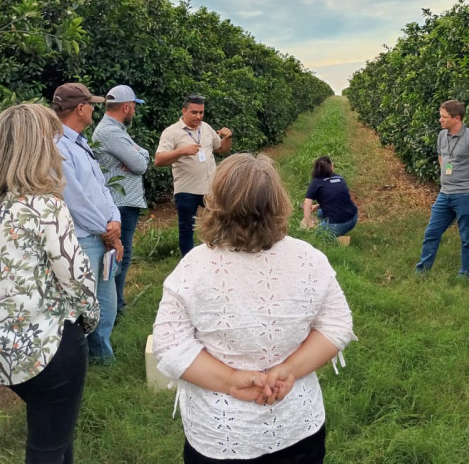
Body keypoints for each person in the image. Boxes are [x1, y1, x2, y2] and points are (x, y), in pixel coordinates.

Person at [152, 153, 356, 463]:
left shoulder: (193, 267)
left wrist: (230, 380)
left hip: (219, 434)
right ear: (278, 203)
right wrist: (288, 370)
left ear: (215, 202)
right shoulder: (309, 259)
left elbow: (169, 346)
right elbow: (336, 325)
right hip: (297, 426)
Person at [0, 103, 100, 464]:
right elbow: (77, 278)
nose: (57, 151)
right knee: (47, 447)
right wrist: (89, 320)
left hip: (0, 349)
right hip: (49, 346)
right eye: (51, 141)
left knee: (55, 436)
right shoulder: (45, 207)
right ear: (38, 149)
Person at [53, 83, 123, 364]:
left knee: (106, 303)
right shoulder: (58, 147)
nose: (94, 109)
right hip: (85, 238)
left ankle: (102, 355)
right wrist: (108, 232)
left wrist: (115, 218)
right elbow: (75, 200)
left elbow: (101, 187)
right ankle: (91, 361)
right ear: (80, 108)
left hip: (100, 235)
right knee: (85, 304)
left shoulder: (79, 143)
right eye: (92, 105)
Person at [415, 99, 469, 277]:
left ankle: (466, 274)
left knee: (466, 236)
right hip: (445, 192)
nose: (440, 120)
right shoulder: (442, 135)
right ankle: (422, 270)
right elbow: (442, 157)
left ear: (457, 118)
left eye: (444, 117)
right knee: (431, 232)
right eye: (440, 116)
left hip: (466, 194)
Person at [93, 85, 149, 316]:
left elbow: (141, 155)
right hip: (120, 203)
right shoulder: (111, 132)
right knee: (119, 255)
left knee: (120, 253)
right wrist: (137, 155)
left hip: (123, 202)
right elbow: (140, 164)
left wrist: (138, 153)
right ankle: (115, 308)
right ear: (126, 107)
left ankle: (116, 304)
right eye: (134, 106)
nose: (134, 111)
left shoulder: (115, 130)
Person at [154, 94, 232, 256]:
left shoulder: (206, 128)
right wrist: (181, 151)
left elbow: (221, 149)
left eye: (201, 112)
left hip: (210, 188)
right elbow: (159, 160)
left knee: (220, 222)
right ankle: (188, 263)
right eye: (194, 112)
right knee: (186, 228)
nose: (198, 116)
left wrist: (228, 138)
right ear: (184, 111)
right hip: (186, 189)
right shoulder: (171, 132)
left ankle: (217, 257)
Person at [302, 156, 359, 239]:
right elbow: (339, 198)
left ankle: (339, 240)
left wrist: (309, 224)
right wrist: (318, 206)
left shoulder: (316, 182)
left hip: (339, 224)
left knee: (314, 236)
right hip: (353, 218)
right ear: (331, 166)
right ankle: (337, 231)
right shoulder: (339, 178)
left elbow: (306, 204)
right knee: (320, 213)